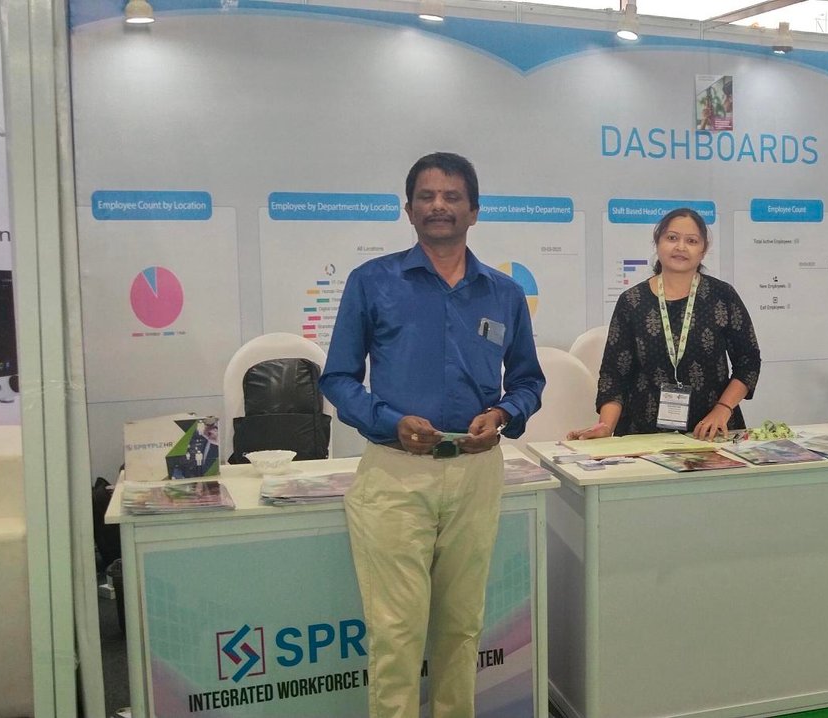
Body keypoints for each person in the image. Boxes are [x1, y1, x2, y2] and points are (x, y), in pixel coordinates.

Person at [320, 152, 544, 718]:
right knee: (395, 633)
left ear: (475, 210)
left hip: (475, 474)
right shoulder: (372, 282)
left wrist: (503, 414)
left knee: (461, 627)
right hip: (396, 474)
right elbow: (338, 378)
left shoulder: (503, 293)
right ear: (409, 209)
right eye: (426, 196)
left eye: (451, 196)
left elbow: (527, 381)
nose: (438, 205)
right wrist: (387, 420)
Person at [568, 207, 760, 440]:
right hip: (643, 433)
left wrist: (723, 409)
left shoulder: (722, 296)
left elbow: (748, 361)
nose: (681, 247)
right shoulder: (632, 301)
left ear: (703, 250)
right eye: (672, 238)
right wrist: (606, 426)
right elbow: (614, 374)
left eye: (691, 241)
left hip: (711, 431)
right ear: (657, 242)